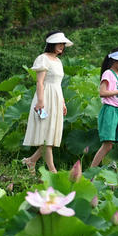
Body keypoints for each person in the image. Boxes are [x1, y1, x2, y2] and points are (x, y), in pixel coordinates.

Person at [22, 31, 73, 173]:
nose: (62, 46)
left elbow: (58, 84)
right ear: (52, 44)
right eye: (59, 43)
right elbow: (40, 82)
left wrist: (62, 102)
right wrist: (40, 101)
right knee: (46, 137)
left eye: (63, 44)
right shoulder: (43, 59)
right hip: (45, 98)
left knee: (49, 135)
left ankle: (31, 161)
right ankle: (53, 172)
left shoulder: (58, 61)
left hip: (56, 98)